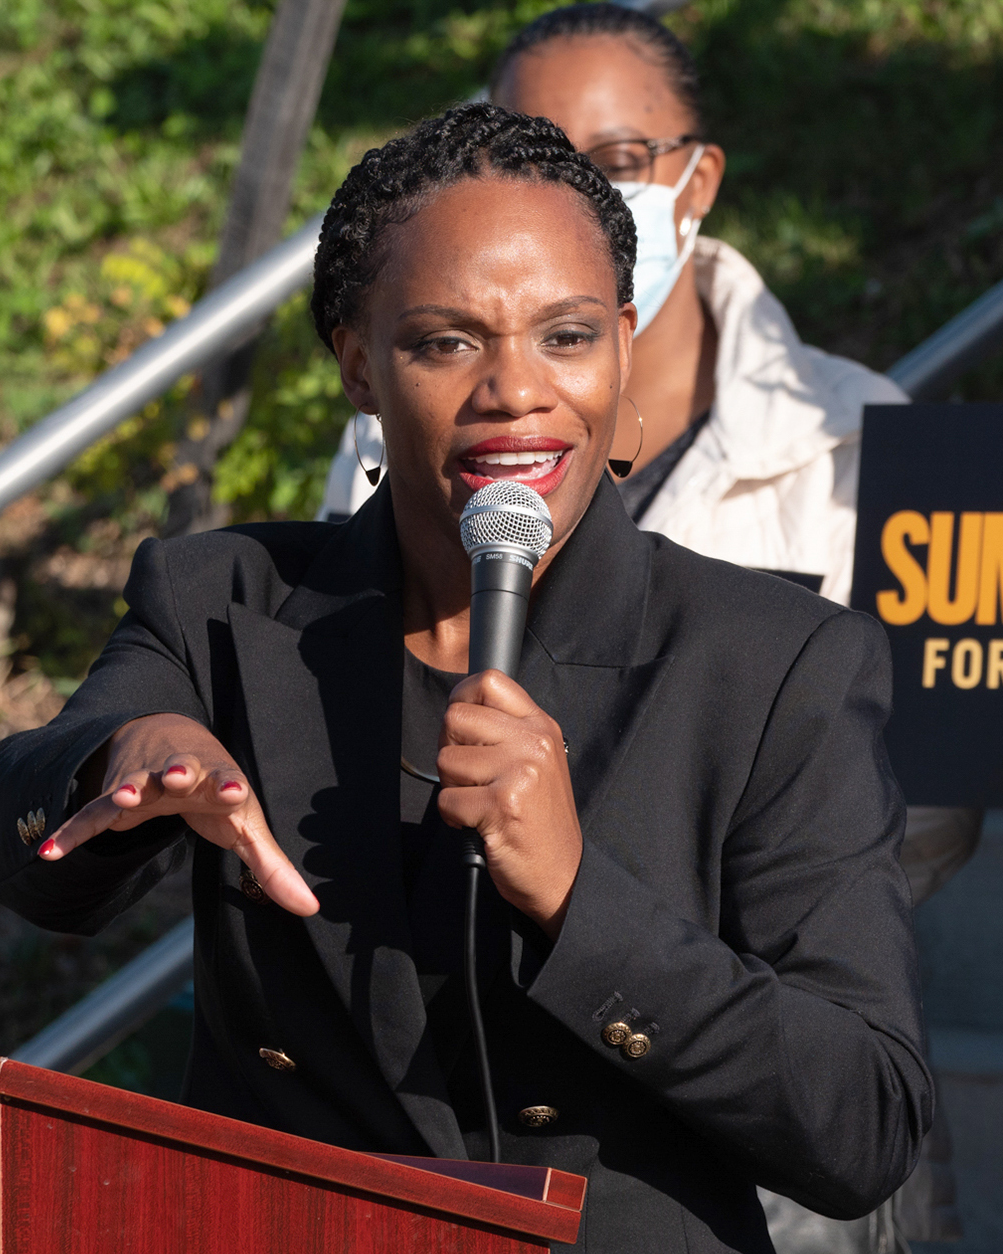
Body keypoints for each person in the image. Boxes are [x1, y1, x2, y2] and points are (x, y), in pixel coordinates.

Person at [0, 104, 930, 1254]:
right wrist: (118, 758)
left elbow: (864, 1127)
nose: (517, 391)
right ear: (359, 363)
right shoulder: (224, 605)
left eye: (568, 336)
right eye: (444, 341)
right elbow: (6, 835)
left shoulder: (770, 663)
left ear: (623, 349)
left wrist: (583, 902)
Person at [319, 3, 981, 906]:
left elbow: (930, 811)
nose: (578, 188)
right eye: (535, 149)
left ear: (699, 180)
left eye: (620, 160)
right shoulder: (395, 428)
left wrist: (611, 912)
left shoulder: (874, 437)